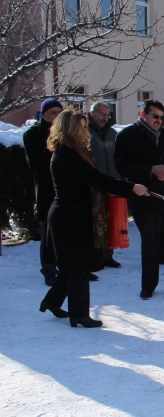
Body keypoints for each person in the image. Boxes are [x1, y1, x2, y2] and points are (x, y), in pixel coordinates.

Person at [40, 110, 149, 327]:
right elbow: (95, 179)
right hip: (69, 217)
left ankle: (52, 301)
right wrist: (131, 187)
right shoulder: (67, 154)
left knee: (72, 265)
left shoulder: (75, 151)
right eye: (81, 127)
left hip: (76, 214)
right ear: (69, 129)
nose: (84, 131)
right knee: (79, 266)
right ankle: (79, 315)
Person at [115, 99, 164, 299]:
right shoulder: (128, 136)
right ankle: (148, 286)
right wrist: (151, 170)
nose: (159, 121)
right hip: (145, 199)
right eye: (155, 117)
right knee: (150, 245)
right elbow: (122, 166)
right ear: (143, 115)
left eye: (162, 118)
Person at [23, 98, 64, 286]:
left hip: (67, 189)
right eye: (53, 112)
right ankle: (48, 270)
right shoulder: (33, 134)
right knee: (48, 231)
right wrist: (58, 179)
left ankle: (70, 268)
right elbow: (37, 165)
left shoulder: (66, 133)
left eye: (59, 112)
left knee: (68, 230)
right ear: (44, 114)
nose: (56, 116)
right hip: (48, 188)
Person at [88, 101, 122, 268]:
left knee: (110, 220)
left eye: (107, 115)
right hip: (92, 184)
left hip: (111, 182)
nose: (105, 118)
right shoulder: (84, 131)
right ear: (92, 113)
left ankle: (108, 255)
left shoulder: (112, 133)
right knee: (94, 221)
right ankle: (94, 257)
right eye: (102, 114)